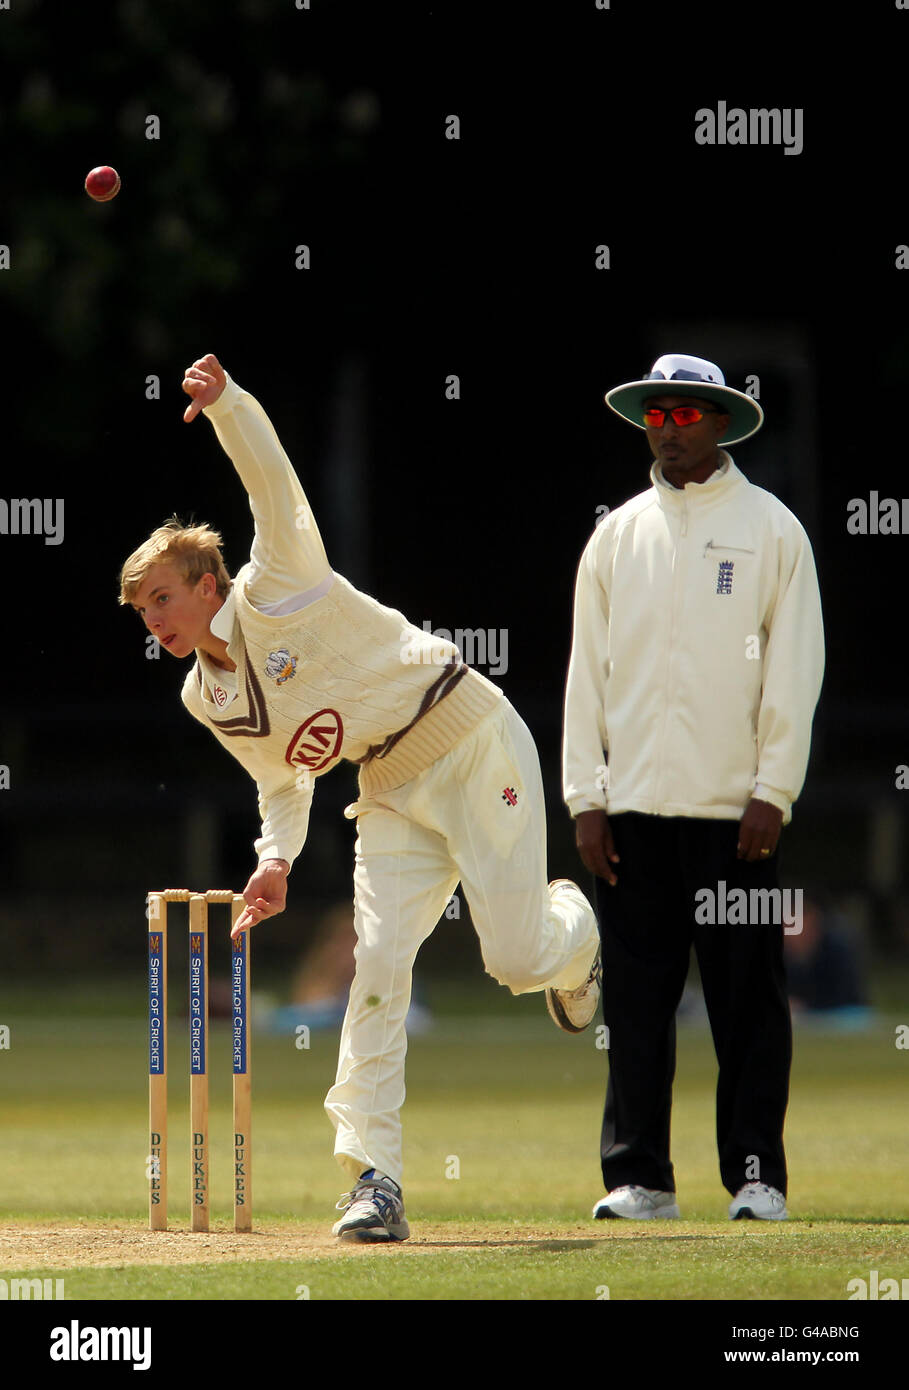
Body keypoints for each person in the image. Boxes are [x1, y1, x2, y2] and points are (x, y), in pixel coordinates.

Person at [119, 352, 601, 1242]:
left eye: (161, 600)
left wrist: (228, 405)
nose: (153, 621)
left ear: (208, 585)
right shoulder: (203, 695)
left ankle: (574, 933)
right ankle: (373, 1180)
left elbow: (273, 486)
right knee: (376, 969)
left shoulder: (280, 583)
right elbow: (280, 778)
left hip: (464, 730)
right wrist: (273, 862)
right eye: (141, 612)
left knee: (517, 960)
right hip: (383, 788)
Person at [562, 353, 825, 1222]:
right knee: (636, 1006)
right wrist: (584, 798)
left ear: (720, 421)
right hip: (632, 815)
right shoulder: (617, 533)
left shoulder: (771, 529)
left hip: (731, 814)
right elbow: (584, 677)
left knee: (746, 1001)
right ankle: (639, 1177)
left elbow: (793, 670)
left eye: (684, 417)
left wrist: (772, 790)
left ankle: (756, 1175)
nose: (668, 432)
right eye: (656, 417)